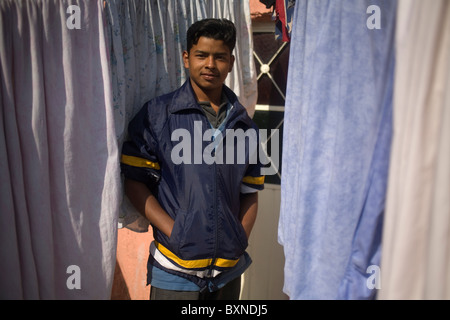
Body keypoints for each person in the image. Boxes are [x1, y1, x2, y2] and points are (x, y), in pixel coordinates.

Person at [120, 18, 265, 300]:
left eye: (220, 57)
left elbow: (250, 192)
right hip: (174, 271)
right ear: (187, 58)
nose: (211, 64)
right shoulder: (158, 116)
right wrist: (176, 233)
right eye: (202, 55)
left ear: (231, 62)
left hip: (228, 272)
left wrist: (239, 237)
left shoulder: (244, 126)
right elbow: (135, 184)